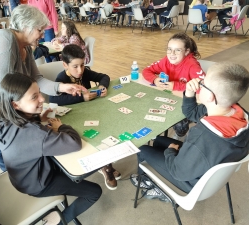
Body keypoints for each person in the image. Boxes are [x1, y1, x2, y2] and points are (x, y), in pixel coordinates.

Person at [0, 5, 86, 172]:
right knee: (0, 147)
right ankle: (14, 179)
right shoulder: (4, 39)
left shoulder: (26, 46)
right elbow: (4, 90)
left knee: (17, 141)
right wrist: (29, 118)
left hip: (7, 103)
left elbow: (37, 79)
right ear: (26, 27)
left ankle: (25, 175)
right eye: (40, 30)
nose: (43, 35)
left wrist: (63, 87)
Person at [0, 73, 102, 225]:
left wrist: (39, 119)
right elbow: (74, 143)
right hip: (38, 185)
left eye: (39, 92)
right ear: (16, 105)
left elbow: (27, 138)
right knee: (94, 192)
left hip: (21, 177)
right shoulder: (34, 134)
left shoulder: (0, 118)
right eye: (34, 97)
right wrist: (61, 127)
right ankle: (61, 221)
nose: (42, 99)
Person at [130, 62, 249, 201]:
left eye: (203, 82)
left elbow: (178, 172)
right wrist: (189, 92)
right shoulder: (231, 111)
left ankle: (147, 182)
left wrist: (170, 152)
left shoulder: (200, 136)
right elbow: (191, 113)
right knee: (158, 141)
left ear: (210, 96)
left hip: (193, 182)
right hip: (212, 160)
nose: (199, 82)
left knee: (142, 149)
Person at [49, 45, 121, 190]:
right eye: (75, 66)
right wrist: (82, 98)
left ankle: (106, 162)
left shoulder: (84, 73)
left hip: (91, 112)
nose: (80, 70)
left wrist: (102, 86)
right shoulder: (61, 78)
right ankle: (106, 166)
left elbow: (104, 77)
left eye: (82, 65)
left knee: (106, 129)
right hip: (73, 117)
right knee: (92, 138)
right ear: (65, 65)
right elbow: (53, 100)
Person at [142, 33, 205, 140]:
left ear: (187, 51)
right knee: (148, 105)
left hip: (189, 102)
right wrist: (155, 79)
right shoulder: (165, 60)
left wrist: (176, 85)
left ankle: (180, 135)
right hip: (170, 97)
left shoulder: (192, 65)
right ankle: (155, 131)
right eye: (169, 49)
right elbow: (146, 70)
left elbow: (204, 87)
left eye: (177, 50)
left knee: (180, 123)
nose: (172, 53)